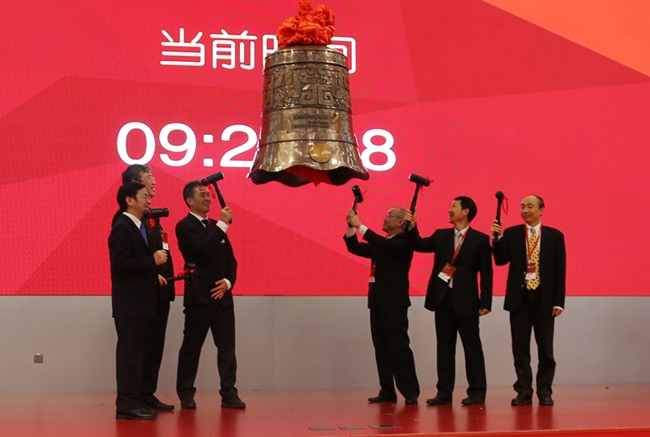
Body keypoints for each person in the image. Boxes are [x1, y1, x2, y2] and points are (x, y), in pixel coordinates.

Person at [405, 196, 492, 406]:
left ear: (466, 211)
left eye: (454, 206)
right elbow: (419, 244)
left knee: (472, 348)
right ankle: (444, 392)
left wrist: (485, 302)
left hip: (467, 301)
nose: (449, 210)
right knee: (444, 349)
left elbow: (487, 273)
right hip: (443, 300)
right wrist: (412, 226)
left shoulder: (480, 239)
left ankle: (477, 392)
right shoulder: (441, 235)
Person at [175, 181, 244, 409]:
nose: (207, 198)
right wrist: (222, 225)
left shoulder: (216, 225)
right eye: (202, 195)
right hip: (199, 299)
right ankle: (186, 393)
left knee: (227, 349)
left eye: (208, 194)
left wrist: (228, 282)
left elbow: (231, 260)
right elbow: (203, 250)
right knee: (192, 347)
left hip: (223, 298)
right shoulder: (184, 227)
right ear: (189, 200)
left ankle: (229, 393)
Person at [491, 195, 566, 406]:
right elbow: (500, 260)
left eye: (530, 206)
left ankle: (544, 391)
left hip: (544, 299)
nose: (525, 210)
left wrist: (558, 302)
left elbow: (560, 270)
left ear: (541, 210)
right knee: (520, 348)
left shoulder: (554, 236)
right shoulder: (512, 233)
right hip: (520, 299)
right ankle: (523, 390)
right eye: (522, 206)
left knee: (546, 350)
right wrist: (496, 239)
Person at [344, 207, 420, 405]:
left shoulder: (404, 242)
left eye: (389, 215)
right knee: (381, 347)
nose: (385, 219)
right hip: (377, 300)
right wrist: (351, 227)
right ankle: (387, 390)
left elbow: (383, 245)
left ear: (401, 222)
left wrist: (360, 226)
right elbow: (355, 248)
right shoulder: (383, 243)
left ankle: (410, 391)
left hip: (394, 302)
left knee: (399, 346)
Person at [108, 182, 168, 420]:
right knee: (129, 357)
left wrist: (153, 275)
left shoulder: (138, 226)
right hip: (130, 305)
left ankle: (136, 401)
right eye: (144, 196)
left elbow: (134, 264)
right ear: (129, 200)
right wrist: (152, 261)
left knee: (137, 356)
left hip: (141, 304)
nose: (149, 199)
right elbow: (120, 265)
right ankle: (127, 404)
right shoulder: (122, 227)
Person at [121, 164, 176, 412]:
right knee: (140, 348)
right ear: (135, 184)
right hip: (144, 293)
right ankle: (136, 398)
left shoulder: (153, 216)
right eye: (149, 177)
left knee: (155, 347)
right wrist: (153, 272)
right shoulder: (130, 220)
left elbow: (163, 247)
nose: (154, 182)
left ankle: (148, 393)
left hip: (162, 290)